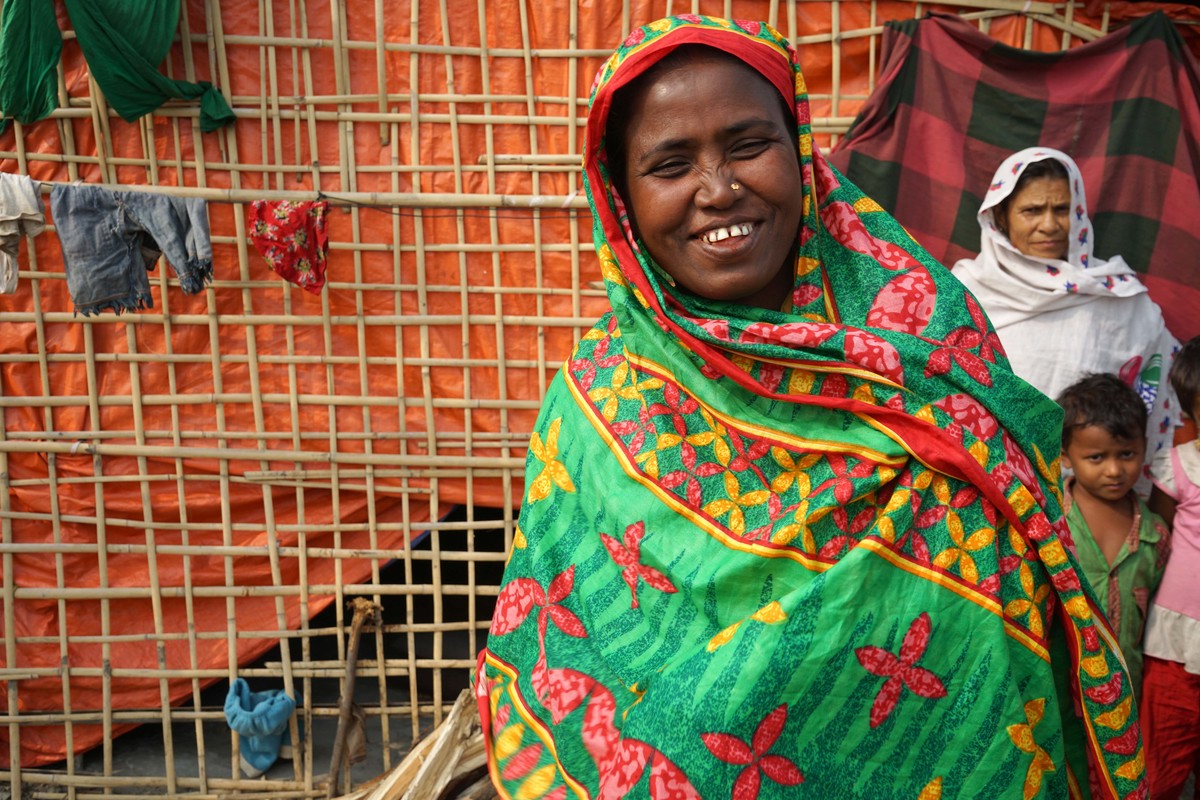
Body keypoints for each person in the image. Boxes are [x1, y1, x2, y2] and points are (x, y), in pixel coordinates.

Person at [475, 16, 1144, 798]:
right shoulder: (597, 395)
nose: (719, 189)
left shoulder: (926, 339)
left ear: (800, 153)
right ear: (620, 196)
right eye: (670, 163)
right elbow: (563, 642)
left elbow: (994, 617)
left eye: (748, 145)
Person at [953, 147, 1180, 488]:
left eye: (1061, 209)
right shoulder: (966, 295)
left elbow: (1161, 384)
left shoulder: (1117, 297)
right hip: (994, 490)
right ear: (1000, 217)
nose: (1049, 225)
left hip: (1098, 501)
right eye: (1032, 211)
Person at [1057, 373, 1168, 700]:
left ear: (1144, 448)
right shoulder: (1051, 525)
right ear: (1065, 456)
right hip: (1062, 693)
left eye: (1126, 454)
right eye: (1096, 457)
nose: (1114, 471)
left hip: (1127, 695)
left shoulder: (1156, 536)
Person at [1143, 335, 1200, 798]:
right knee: (1158, 775)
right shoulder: (1178, 467)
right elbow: (1157, 540)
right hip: (1172, 654)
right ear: (1190, 412)